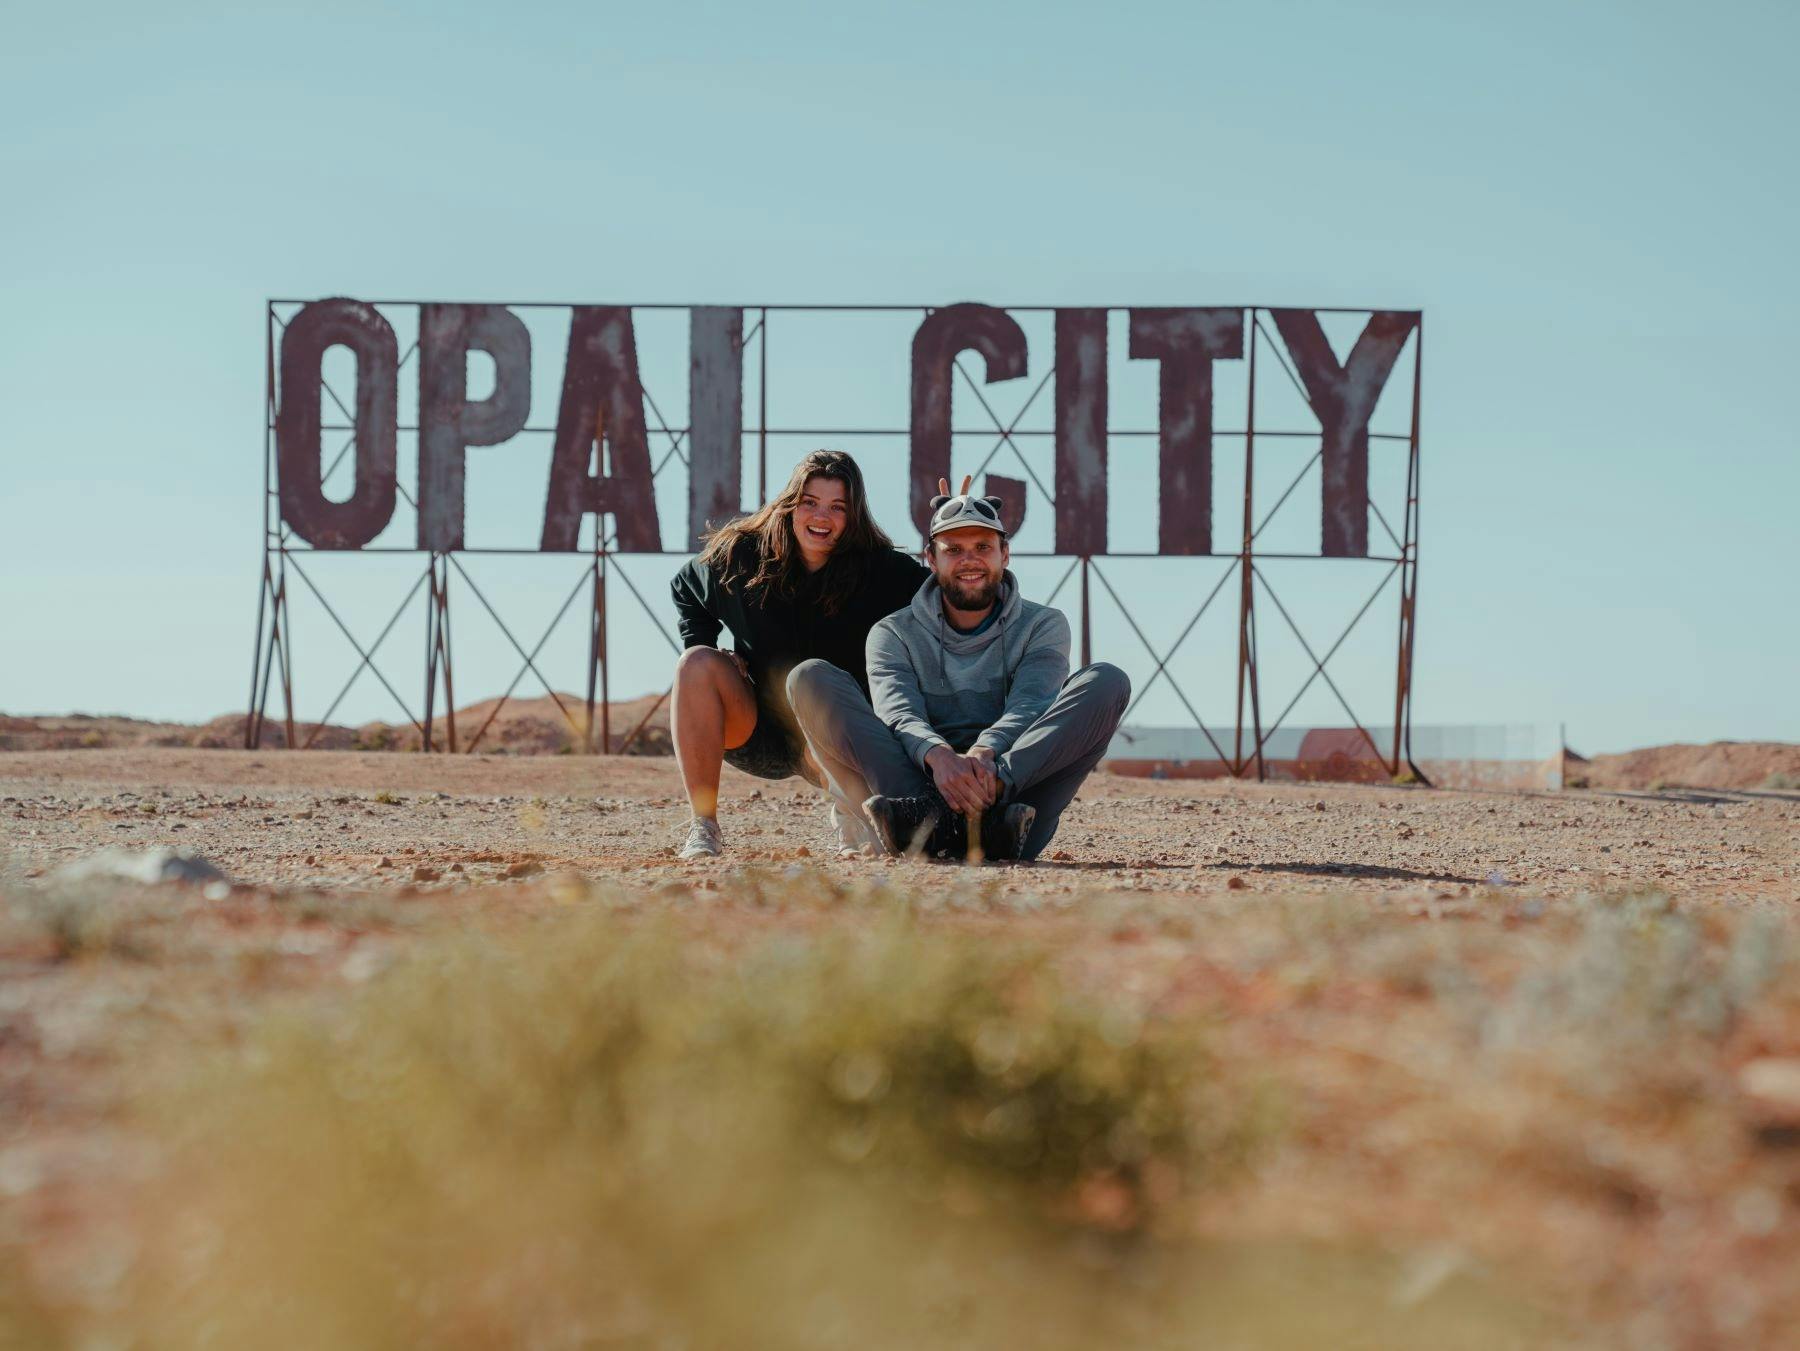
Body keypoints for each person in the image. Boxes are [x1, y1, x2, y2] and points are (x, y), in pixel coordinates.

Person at [786, 488, 1130, 862]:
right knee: (808, 679)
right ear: (931, 559)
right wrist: (938, 756)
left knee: (1107, 682)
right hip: (910, 801)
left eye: (983, 547)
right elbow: (899, 712)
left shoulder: (1042, 624)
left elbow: (1031, 703)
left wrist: (988, 761)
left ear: (1005, 555)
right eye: (953, 549)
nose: (970, 560)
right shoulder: (893, 632)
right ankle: (926, 815)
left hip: (1014, 813)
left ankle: (990, 811)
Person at [669, 450, 927, 859]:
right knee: (696, 663)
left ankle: (856, 817)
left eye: (837, 507)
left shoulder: (882, 571)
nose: (821, 517)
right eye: (810, 503)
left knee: (818, 688)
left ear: (853, 516)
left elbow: (944, 598)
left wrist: (954, 531)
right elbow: (685, 585)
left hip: (833, 741)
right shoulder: (742, 555)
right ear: (791, 505)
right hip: (756, 728)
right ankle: (704, 827)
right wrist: (704, 640)